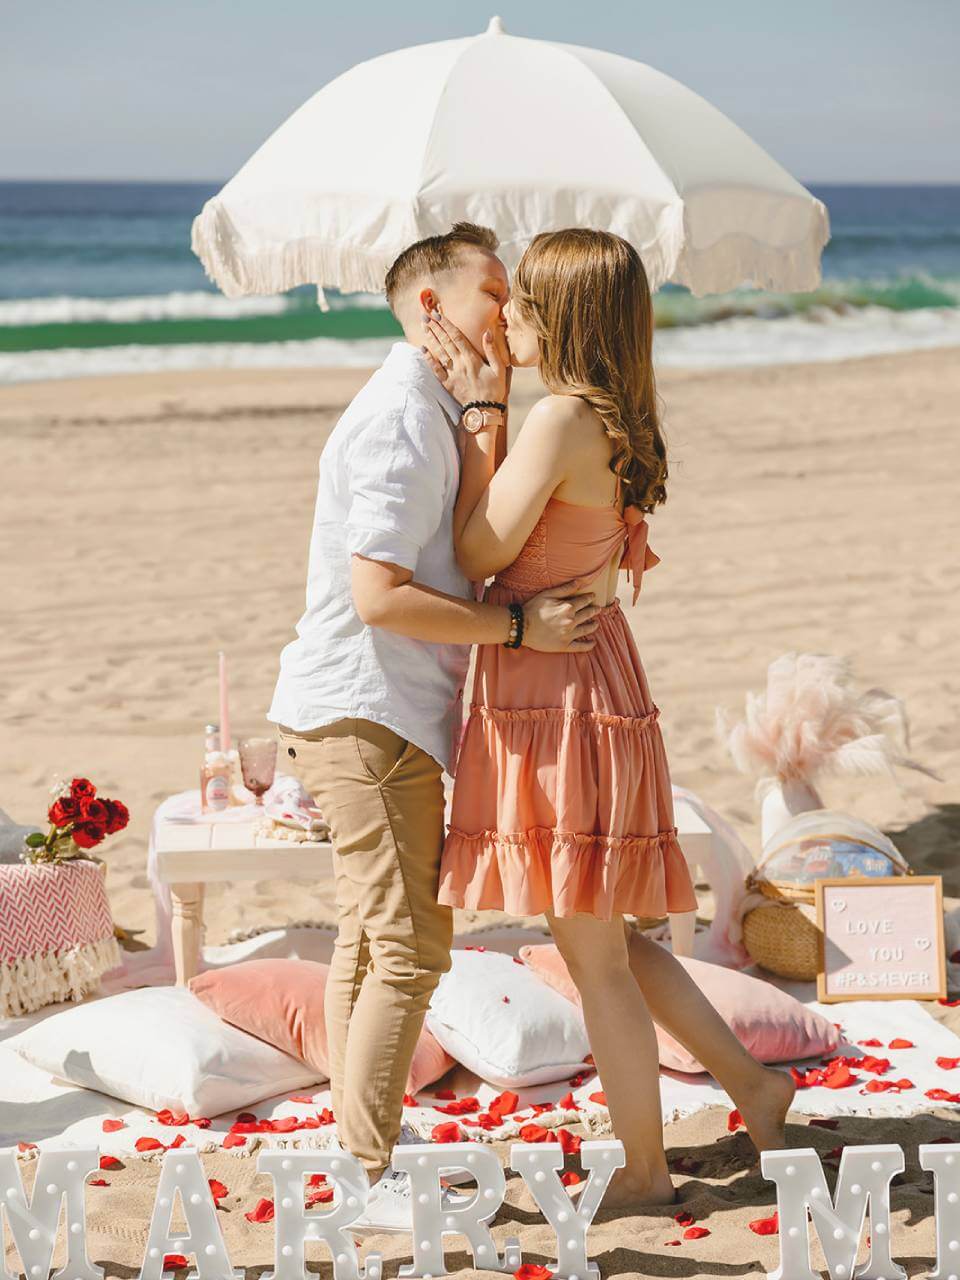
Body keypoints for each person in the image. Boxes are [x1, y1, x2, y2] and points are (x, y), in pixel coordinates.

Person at [421, 226, 797, 1211]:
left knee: (594, 955)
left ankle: (644, 1167)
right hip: (589, 677)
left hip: (558, 692)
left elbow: (476, 549)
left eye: (529, 304)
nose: (510, 318)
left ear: (567, 318)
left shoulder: (555, 419)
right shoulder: (613, 414)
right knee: (609, 939)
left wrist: (481, 408)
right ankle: (755, 1084)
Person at [267, 222, 602, 1231]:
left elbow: (476, 529)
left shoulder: (436, 404)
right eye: (493, 293)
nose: (509, 311)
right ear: (430, 308)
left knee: (371, 943)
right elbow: (379, 594)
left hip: (381, 708)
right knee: (410, 945)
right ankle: (363, 1171)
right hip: (363, 710)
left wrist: (488, 404)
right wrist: (515, 627)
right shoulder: (398, 416)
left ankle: (360, 1134)